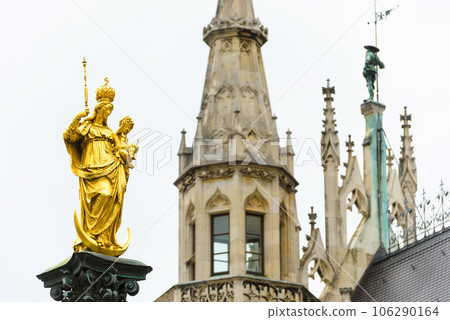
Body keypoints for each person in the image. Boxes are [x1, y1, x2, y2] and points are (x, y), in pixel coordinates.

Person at [63, 79, 135, 251]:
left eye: (110, 112)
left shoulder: (110, 132)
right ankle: (89, 233)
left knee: (110, 197)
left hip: (110, 166)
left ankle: (102, 236)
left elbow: (119, 149)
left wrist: (128, 155)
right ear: (98, 110)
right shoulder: (86, 127)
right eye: (105, 111)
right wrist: (78, 117)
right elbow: (68, 137)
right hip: (91, 166)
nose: (107, 115)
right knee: (103, 193)